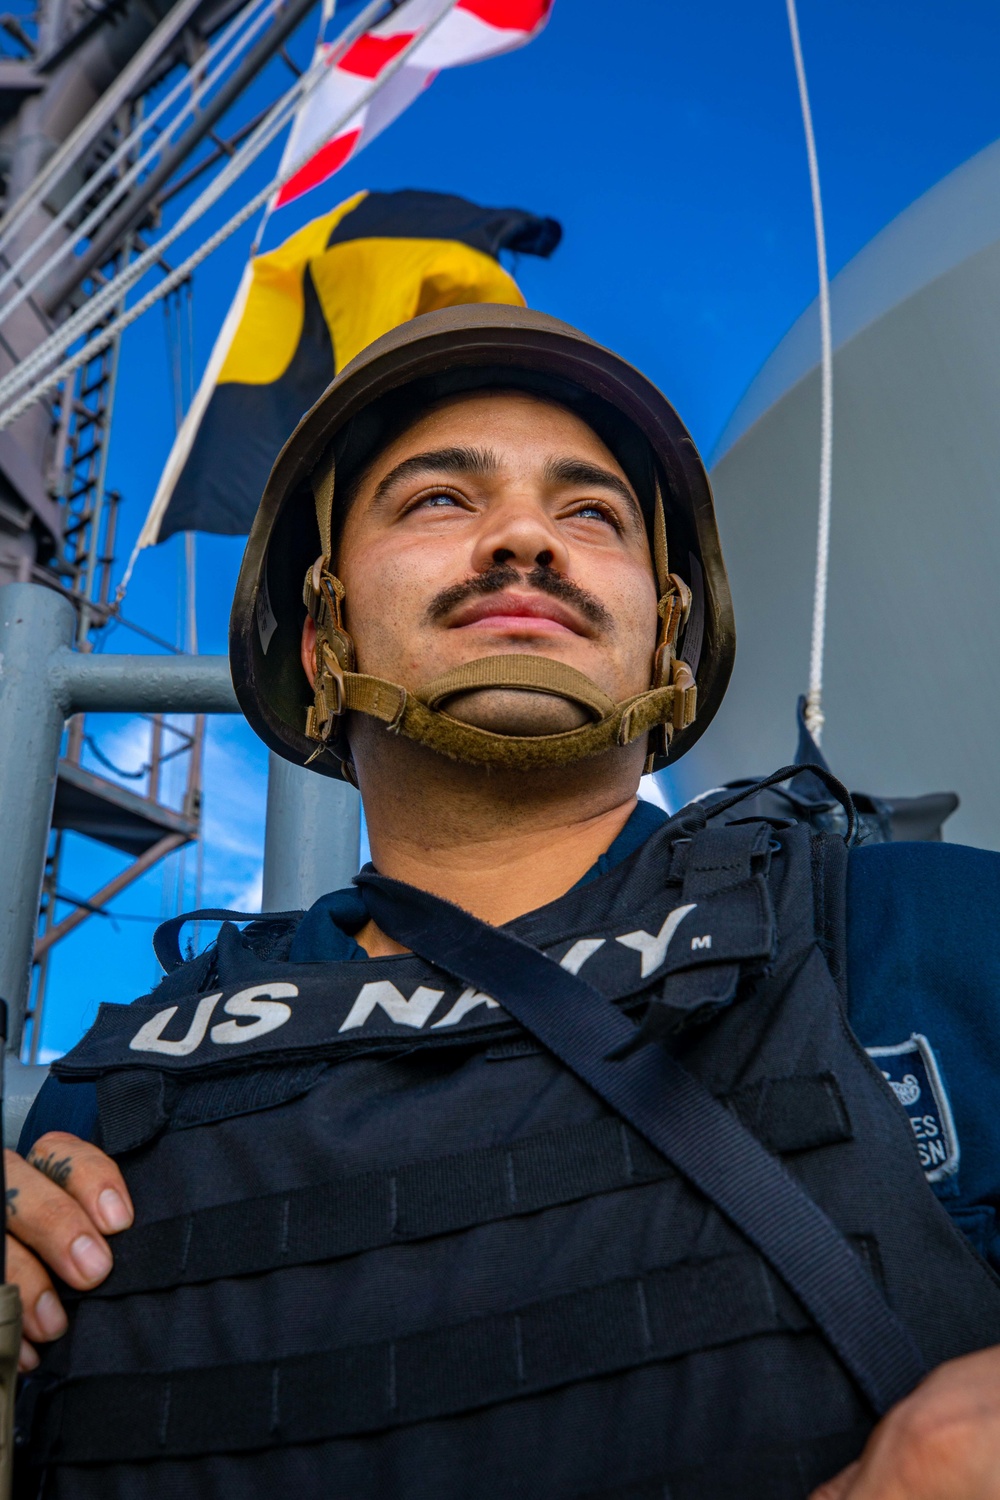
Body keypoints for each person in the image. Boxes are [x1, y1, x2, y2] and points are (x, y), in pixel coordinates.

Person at [9, 304, 1000, 1500]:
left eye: (590, 512)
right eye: (438, 499)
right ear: (323, 642)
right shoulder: (131, 1086)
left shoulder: (918, 933)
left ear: (664, 645)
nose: (526, 539)